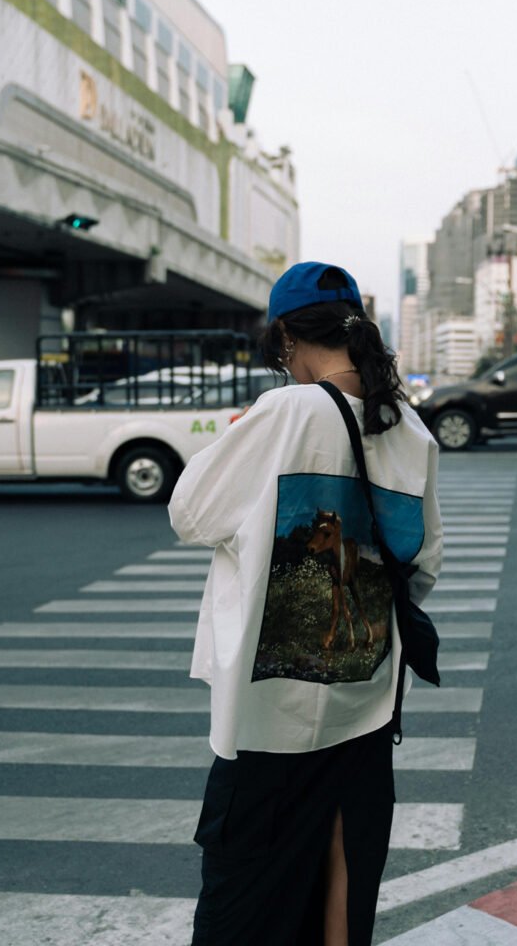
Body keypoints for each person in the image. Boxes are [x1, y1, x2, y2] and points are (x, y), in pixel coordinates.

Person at [169, 262, 442, 946]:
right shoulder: (409, 430)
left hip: (269, 721)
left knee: (240, 911)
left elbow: (191, 514)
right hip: (366, 712)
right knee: (341, 911)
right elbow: (423, 569)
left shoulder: (286, 411)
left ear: (285, 335)